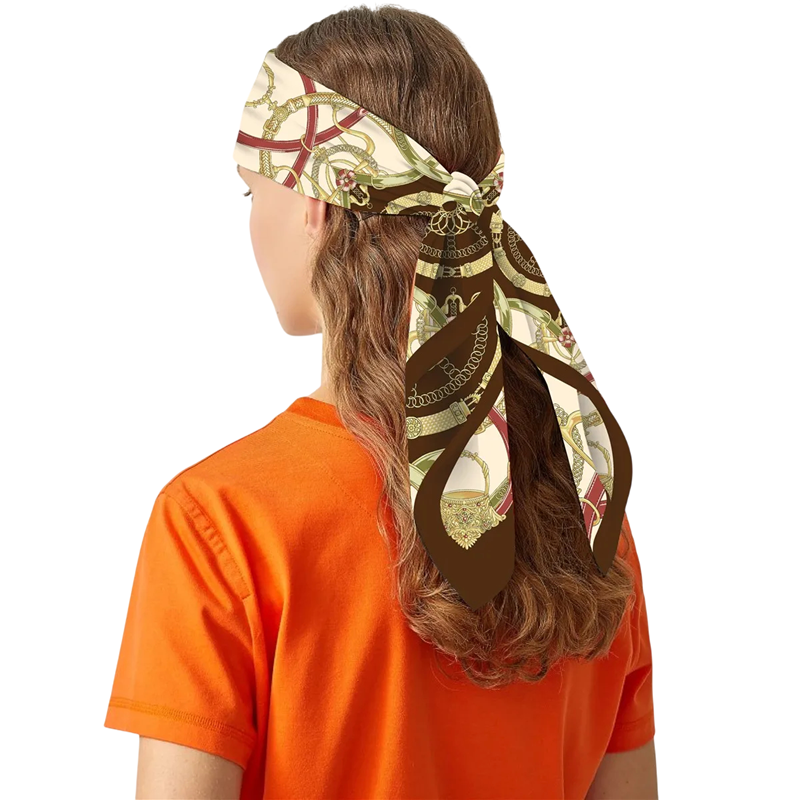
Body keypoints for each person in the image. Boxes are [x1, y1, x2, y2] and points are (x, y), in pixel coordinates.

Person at [104, 6, 657, 799]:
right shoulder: (585, 508)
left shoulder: (219, 521)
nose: (251, 220)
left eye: (249, 191)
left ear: (317, 205)